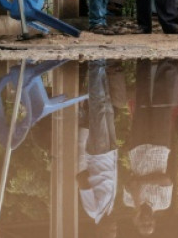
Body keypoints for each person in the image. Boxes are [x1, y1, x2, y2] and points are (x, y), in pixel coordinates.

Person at [124, 59, 178, 235]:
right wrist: (142, 181)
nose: (147, 222)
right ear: (154, 222)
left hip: (138, 146)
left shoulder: (129, 201)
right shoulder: (163, 203)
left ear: (136, 223)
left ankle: (142, 62)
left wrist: (136, 204)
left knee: (141, 102)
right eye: (150, 225)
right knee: (162, 105)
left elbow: (129, 181)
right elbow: (166, 179)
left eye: (143, 225)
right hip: (159, 146)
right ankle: (168, 64)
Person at [77, 60, 119, 238]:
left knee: (98, 108)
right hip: (110, 153)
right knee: (107, 106)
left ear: (100, 232)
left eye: (111, 231)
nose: (114, 227)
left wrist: (93, 166)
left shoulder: (93, 211)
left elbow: (81, 181)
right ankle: (101, 68)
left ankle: (94, 66)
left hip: (98, 154)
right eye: (115, 231)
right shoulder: (108, 209)